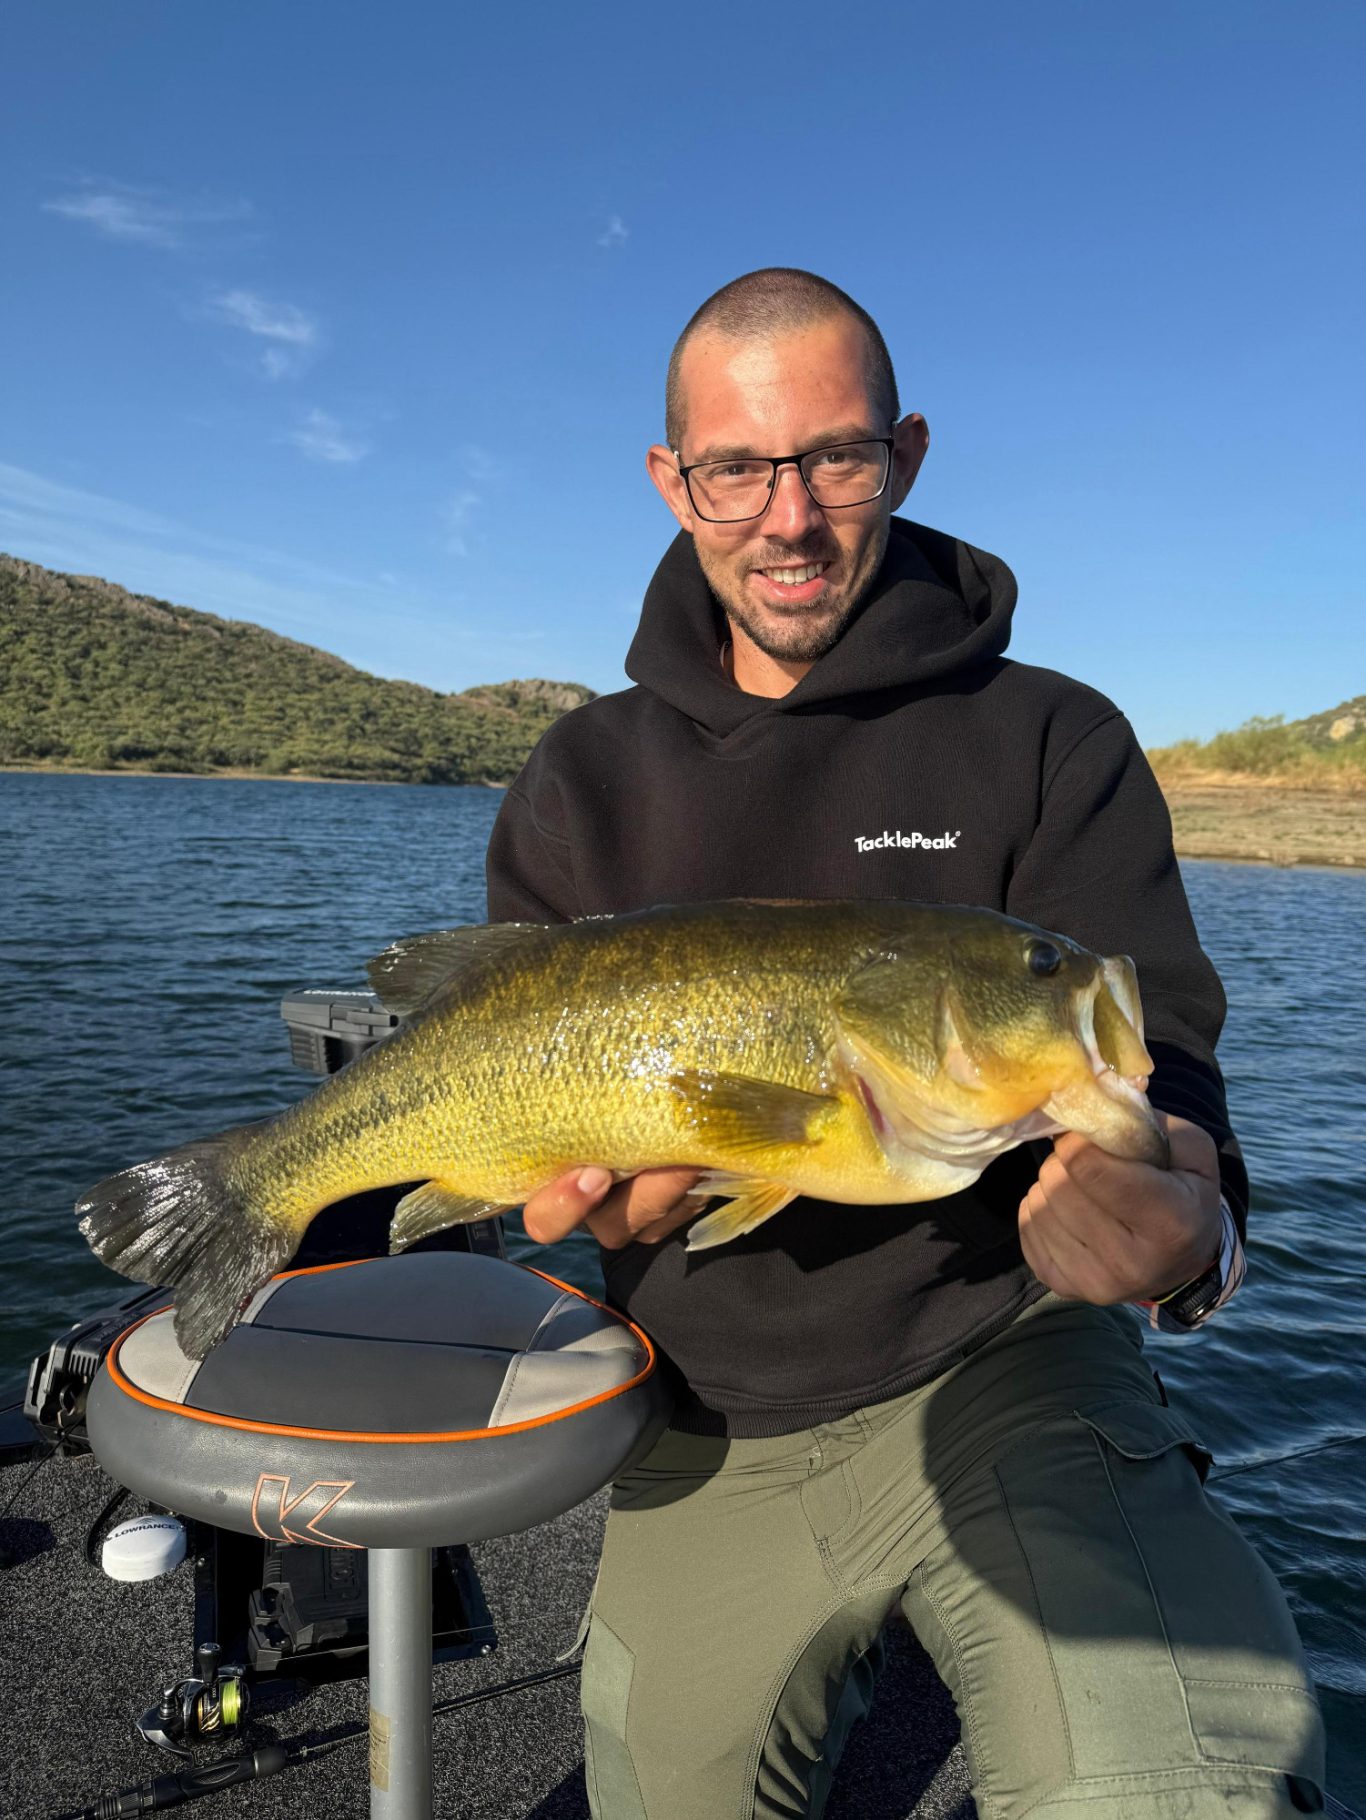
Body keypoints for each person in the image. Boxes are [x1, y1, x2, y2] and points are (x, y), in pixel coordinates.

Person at [485, 270, 1325, 1819]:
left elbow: (1167, 1056)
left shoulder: (1050, 737)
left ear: (909, 455)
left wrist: (1187, 1216)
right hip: (699, 1396)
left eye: (838, 457)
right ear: (673, 483)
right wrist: (589, 1210)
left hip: (1008, 1361)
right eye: (737, 468)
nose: (789, 517)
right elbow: (541, 1119)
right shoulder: (580, 775)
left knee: (1184, 1783)